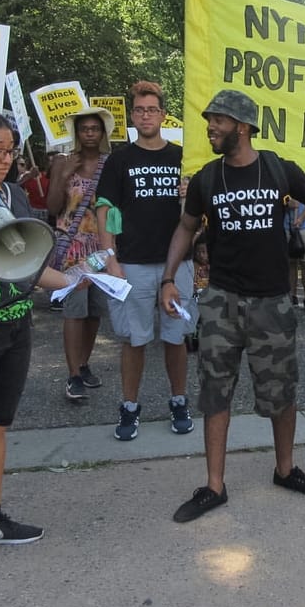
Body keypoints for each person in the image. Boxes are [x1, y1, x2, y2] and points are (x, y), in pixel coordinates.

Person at [160, 89, 305, 523]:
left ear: (242, 126)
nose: (210, 128)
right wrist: (169, 278)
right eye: (209, 121)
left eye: (218, 121)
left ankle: (285, 470)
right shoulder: (206, 178)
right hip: (221, 299)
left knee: (282, 391)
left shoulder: (279, 169)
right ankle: (214, 486)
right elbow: (186, 228)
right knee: (215, 391)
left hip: (272, 302)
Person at [0, 107, 74, 549]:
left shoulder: (14, 196)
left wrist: (78, 279)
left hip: (13, 325)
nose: (5, 159)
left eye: (10, 150)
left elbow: (32, 266)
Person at [96, 81, 195, 441]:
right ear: (131, 117)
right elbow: (105, 210)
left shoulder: (183, 156)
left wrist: (190, 192)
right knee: (134, 340)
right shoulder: (120, 160)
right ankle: (129, 407)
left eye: (152, 109)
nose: (146, 115)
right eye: (139, 110)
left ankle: (179, 400)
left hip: (177, 265)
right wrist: (110, 258)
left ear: (163, 114)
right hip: (132, 263)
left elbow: (200, 213)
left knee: (176, 337)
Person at [47, 107, 114, 401]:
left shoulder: (109, 164)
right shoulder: (63, 161)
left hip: (100, 248)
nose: (89, 133)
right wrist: (64, 175)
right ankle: (73, 374)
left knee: (94, 312)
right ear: (76, 132)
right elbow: (52, 207)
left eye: (94, 128)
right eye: (84, 128)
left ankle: (85, 364)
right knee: (74, 312)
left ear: (102, 133)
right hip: (72, 247)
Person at [286, 198, 305, 311]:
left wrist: (301, 218)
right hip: (286, 225)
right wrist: (286, 204)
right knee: (291, 263)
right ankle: (292, 296)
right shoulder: (282, 180)